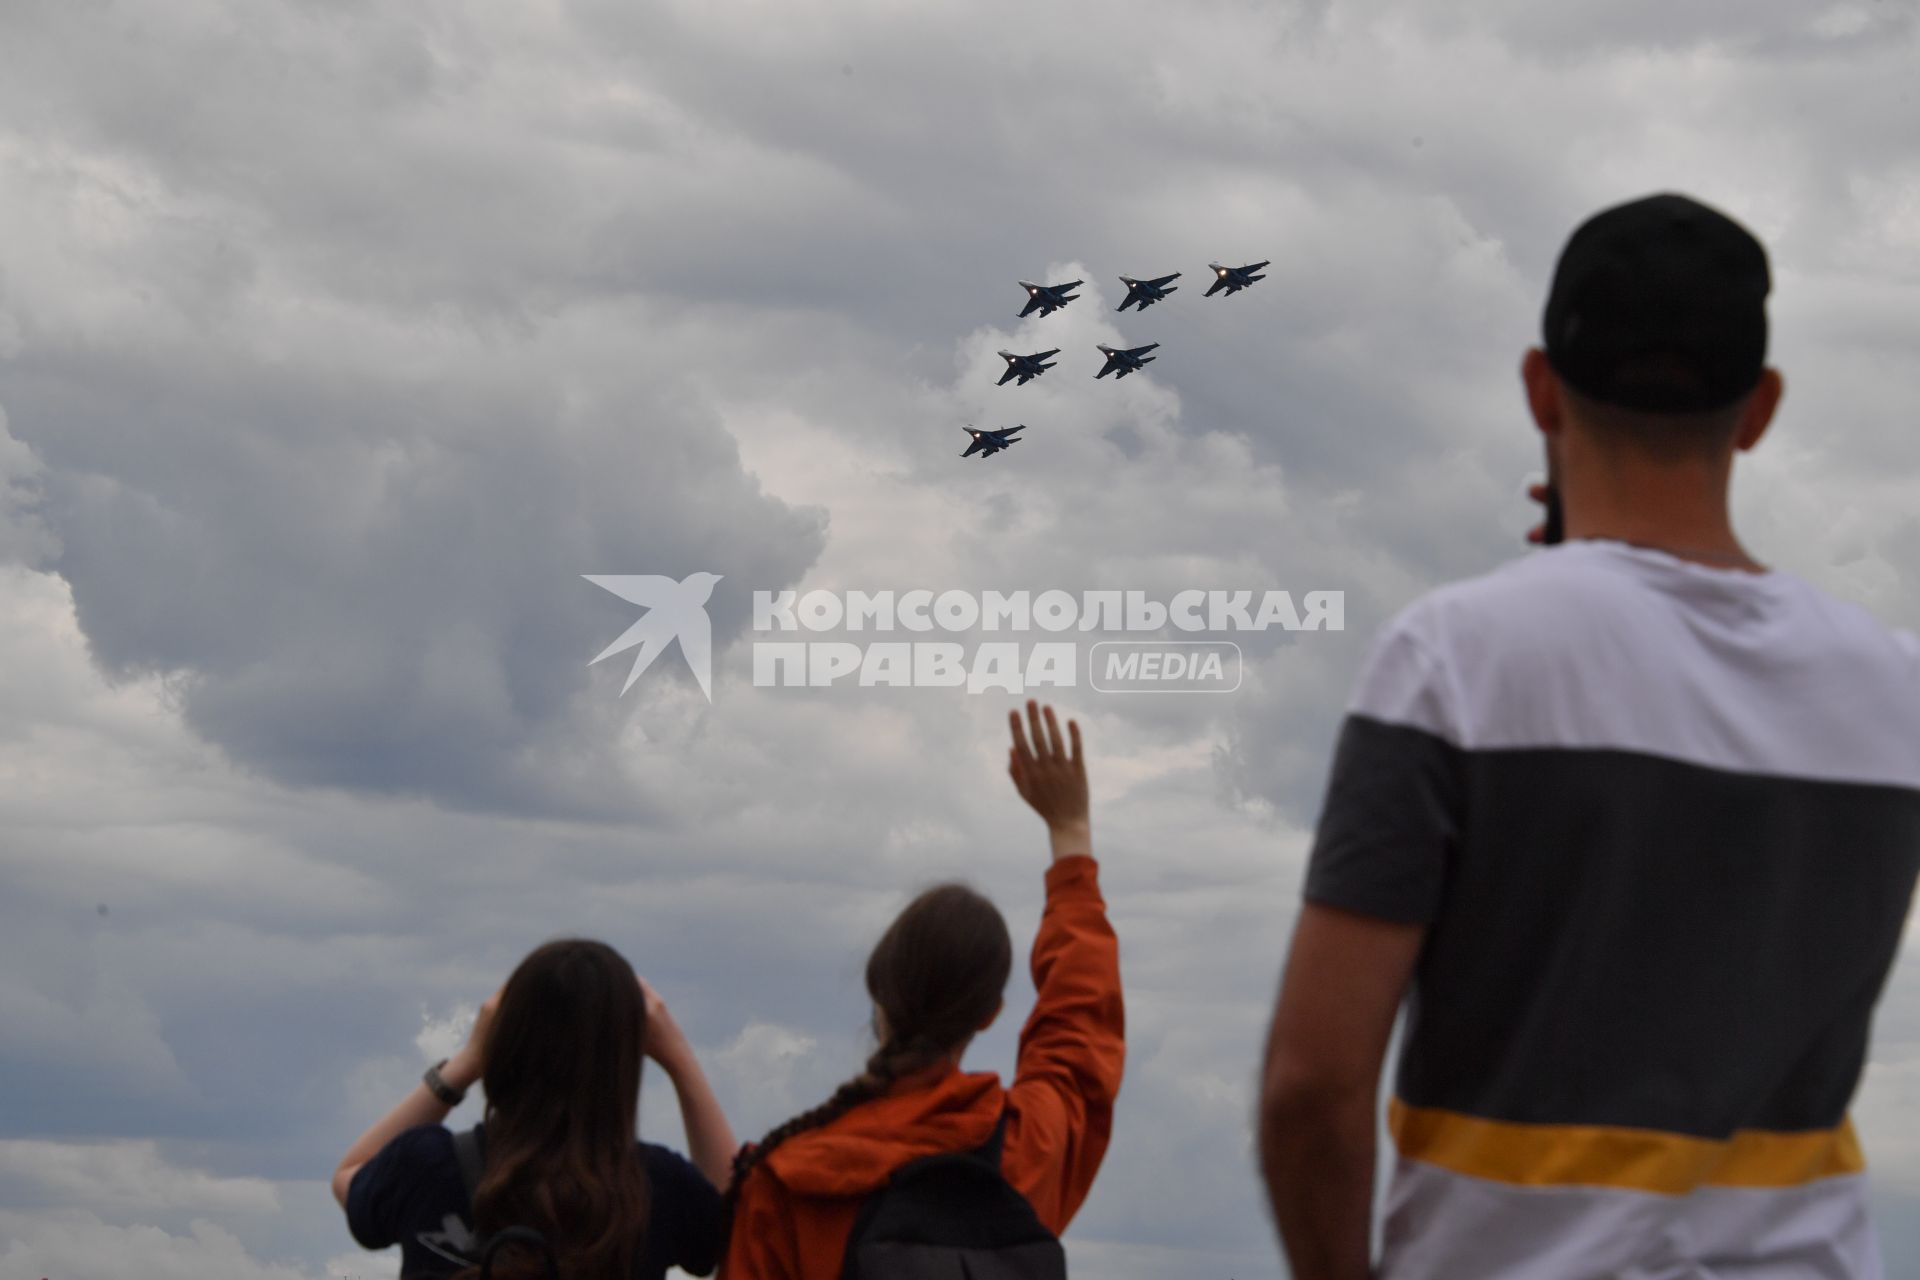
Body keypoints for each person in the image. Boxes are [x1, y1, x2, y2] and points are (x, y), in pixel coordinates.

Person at [1259, 192, 1920, 1279]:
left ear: (1538, 389)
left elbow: (1313, 1088)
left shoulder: (1450, 660)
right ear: (1756, 409)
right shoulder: (1890, 692)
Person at [721, 700, 1125, 1280]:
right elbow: (1081, 1028)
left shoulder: (788, 1181)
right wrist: (1071, 835)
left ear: (878, 995)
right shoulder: (1025, 1150)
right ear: (989, 1015)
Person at [333, 939, 737, 1279]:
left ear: (503, 1041)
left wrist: (468, 1060)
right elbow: (741, 1225)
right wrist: (680, 1059)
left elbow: (350, 1175)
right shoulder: (657, 1187)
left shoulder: (425, 1166)